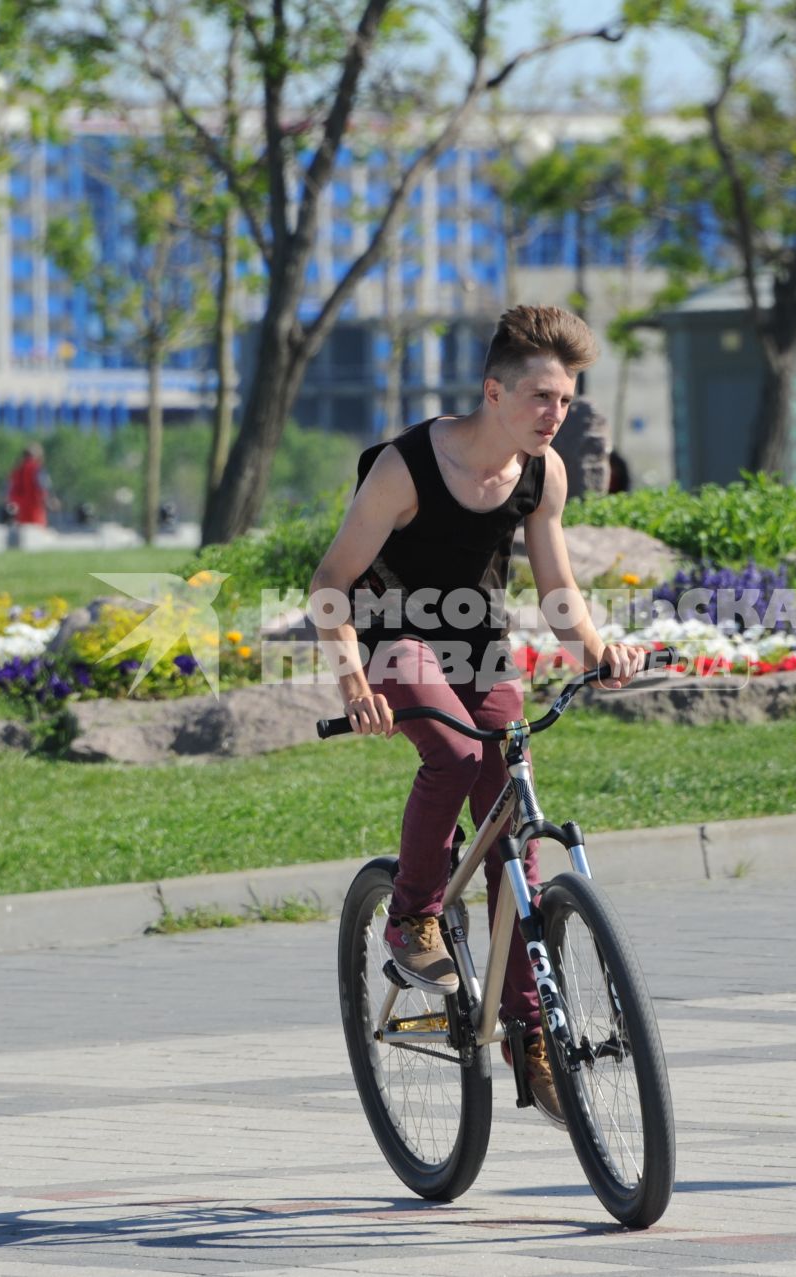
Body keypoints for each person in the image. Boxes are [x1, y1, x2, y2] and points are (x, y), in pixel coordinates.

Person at [308, 304, 648, 1126]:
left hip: (479, 646)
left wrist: (597, 650)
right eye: (540, 397)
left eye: (564, 400)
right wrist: (353, 681)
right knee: (454, 762)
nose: (553, 415)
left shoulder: (543, 473)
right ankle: (412, 916)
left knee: (510, 822)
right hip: (393, 636)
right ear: (493, 391)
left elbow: (559, 592)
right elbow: (330, 581)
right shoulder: (407, 467)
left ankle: (529, 1030)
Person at [4, 442, 56, 526]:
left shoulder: (16, 471)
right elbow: (44, 488)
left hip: (19, 514)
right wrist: (51, 502)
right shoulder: (38, 469)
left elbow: (7, 492)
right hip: (35, 513)